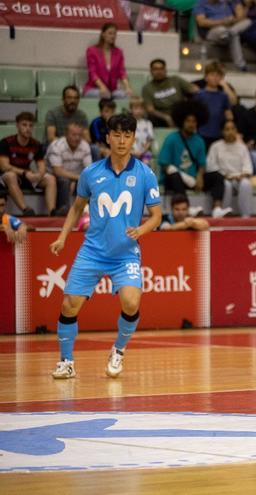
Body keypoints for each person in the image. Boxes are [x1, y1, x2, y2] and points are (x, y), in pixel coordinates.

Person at [49, 113, 163, 379]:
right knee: (69, 306)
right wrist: (62, 237)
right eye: (117, 135)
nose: (122, 140)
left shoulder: (146, 174)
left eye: (127, 135)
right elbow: (77, 208)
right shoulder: (91, 173)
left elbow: (156, 216)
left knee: (131, 302)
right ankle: (66, 362)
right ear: (108, 137)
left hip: (125, 253)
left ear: (134, 138)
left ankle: (118, 351)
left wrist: (141, 230)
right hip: (93, 250)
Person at [0, 112, 58, 216]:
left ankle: (52, 212)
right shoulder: (6, 142)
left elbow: (41, 167)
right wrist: (25, 173)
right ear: (17, 126)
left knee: (50, 179)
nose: (28, 128)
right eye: (24, 125)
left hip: (26, 175)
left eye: (30, 125)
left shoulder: (36, 144)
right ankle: (26, 209)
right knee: (10, 176)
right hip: (8, 176)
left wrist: (38, 175)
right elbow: (4, 166)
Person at [158, 100, 208, 197]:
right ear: (182, 122)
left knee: (216, 176)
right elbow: (165, 165)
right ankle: (184, 205)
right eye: (188, 121)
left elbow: (202, 165)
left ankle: (216, 208)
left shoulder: (199, 141)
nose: (191, 124)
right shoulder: (171, 139)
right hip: (172, 180)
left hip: (193, 179)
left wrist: (199, 176)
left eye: (194, 121)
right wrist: (186, 179)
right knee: (175, 177)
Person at [206, 120, 252, 217]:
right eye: (227, 129)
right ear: (222, 132)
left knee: (246, 184)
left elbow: (248, 167)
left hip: (239, 178)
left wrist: (242, 175)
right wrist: (224, 176)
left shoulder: (242, 147)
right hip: (223, 177)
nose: (230, 131)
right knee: (226, 185)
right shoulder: (216, 146)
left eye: (232, 129)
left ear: (236, 131)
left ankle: (246, 216)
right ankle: (223, 215)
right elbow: (211, 166)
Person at [193, 0, 252, 72]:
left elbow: (234, 18)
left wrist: (232, 20)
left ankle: (229, 33)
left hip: (228, 28)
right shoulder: (201, 3)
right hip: (211, 31)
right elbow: (201, 22)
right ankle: (241, 65)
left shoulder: (224, 3)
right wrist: (221, 22)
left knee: (248, 22)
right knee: (226, 31)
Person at [46, 122, 92, 211]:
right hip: (55, 176)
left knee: (88, 180)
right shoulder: (56, 146)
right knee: (64, 180)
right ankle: (64, 210)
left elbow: (88, 170)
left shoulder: (85, 146)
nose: (77, 138)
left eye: (79, 135)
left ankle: (87, 210)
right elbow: (57, 171)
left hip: (75, 176)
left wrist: (77, 179)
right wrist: (77, 177)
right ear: (66, 135)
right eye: (74, 135)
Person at [142, 58, 199, 128]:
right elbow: (150, 109)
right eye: (155, 69)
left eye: (161, 69)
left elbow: (194, 90)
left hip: (180, 113)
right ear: (151, 71)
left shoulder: (175, 80)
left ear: (165, 70)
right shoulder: (147, 88)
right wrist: (166, 117)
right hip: (161, 117)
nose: (159, 71)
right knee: (150, 118)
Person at [83, 23, 133, 99]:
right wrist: (102, 87)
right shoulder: (92, 51)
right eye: (110, 33)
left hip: (112, 90)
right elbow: (92, 73)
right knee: (105, 95)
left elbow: (122, 72)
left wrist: (127, 87)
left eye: (114, 34)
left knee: (127, 96)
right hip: (94, 88)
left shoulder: (118, 52)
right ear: (103, 34)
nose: (113, 36)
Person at [194, 62, 234, 149]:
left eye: (218, 75)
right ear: (206, 77)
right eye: (212, 75)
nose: (215, 78)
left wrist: (224, 85)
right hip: (201, 133)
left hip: (218, 134)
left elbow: (232, 105)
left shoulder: (223, 95)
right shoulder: (200, 95)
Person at [130, 98, 154, 165]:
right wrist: (133, 151)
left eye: (141, 108)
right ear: (131, 109)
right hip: (131, 152)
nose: (138, 111)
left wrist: (142, 151)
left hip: (144, 152)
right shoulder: (127, 123)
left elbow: (149, 140)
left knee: (145, 163)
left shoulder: (148, 123)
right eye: (136, 108)